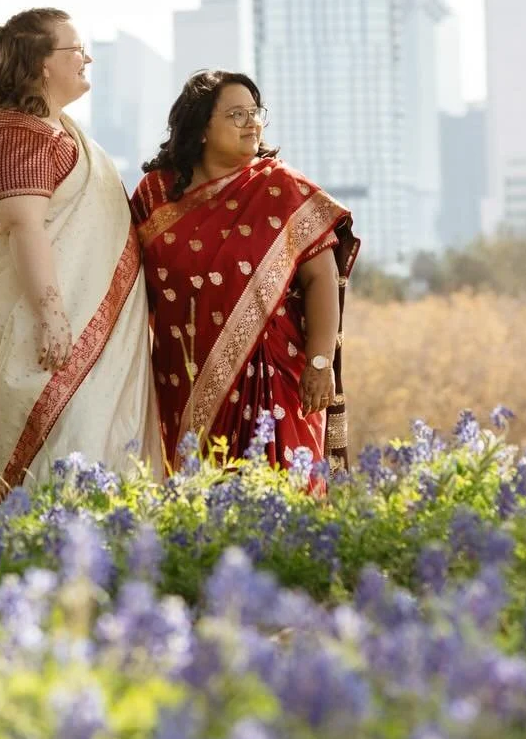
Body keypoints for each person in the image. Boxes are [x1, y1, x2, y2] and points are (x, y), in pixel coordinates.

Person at [0, 6, 161, 497]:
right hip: (43, 324)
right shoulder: (15, 132)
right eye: (75, 49)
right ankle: (32, 549)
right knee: (61, 439)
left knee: (97, 443)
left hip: (91, 324)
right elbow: (22, 226)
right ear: (42, 62)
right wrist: (52, 315)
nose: (86, 58)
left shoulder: (64, 133)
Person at [131, 70, 358, 471]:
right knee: (194, 505)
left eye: (256, 112)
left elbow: (321, 277)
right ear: (201, 127)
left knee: (279, 503)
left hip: (273, 377)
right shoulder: (155, 194)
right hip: (178, 376)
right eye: (237, 114)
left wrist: (320, 362)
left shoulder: (281, 188)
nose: (252, 122)